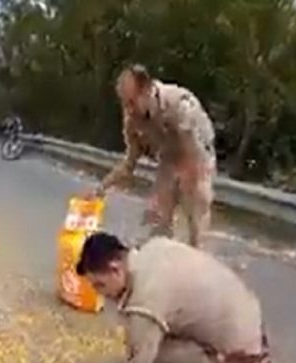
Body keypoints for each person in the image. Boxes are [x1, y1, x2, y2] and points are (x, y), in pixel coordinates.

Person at [72, 232, 272, 363]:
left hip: (237, 359)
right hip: (253, 335)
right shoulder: (155, 247)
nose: (100, 293)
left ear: (115, 270)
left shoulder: (147, 298)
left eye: (100, 285)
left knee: (151, 353)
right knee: (150, 334)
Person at [83, 65, 217, 248]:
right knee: (159, 213)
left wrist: (185, 186)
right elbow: (128, 165)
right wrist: (100, 190)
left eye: (131, 102)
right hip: (168, 155)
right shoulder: (131, 120)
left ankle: (197, 249)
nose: (128, 109)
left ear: (147, 91)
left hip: (198, 151)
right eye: (124, 103)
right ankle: (163, 246)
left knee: (194, 204)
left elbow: (192, 159)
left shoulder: (179, 104)